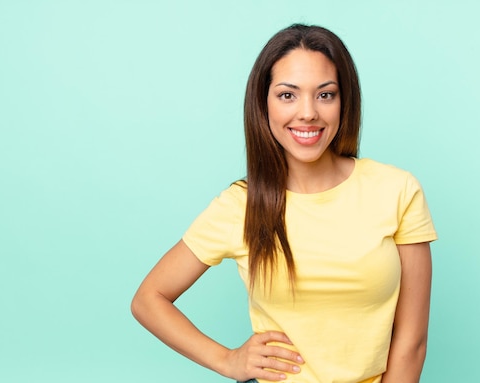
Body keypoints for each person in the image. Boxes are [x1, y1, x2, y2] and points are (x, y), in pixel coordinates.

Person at [131, 24, 437, 383]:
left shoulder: (397, 190)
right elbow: (148, 299)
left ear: (344, 102)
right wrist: (229, 360)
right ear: (264, 103)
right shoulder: (239, 206)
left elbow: (411, 342)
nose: (307, 113)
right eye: (288, 95)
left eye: (325, 95)